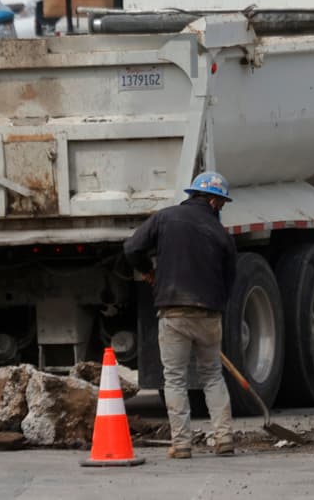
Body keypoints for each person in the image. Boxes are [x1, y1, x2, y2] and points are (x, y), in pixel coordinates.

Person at [124, 171, 237, 459]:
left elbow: (132, 248)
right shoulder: (221, 234)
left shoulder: (165, 218)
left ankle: (182, 444)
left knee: (174, 378)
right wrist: (216, 308)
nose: (221, 208)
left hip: (173, 311)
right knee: (212, 375)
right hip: (209, 314)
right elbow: (230, 280)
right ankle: (224, 438)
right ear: (212, 201)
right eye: (221, 203)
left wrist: (148, 271)